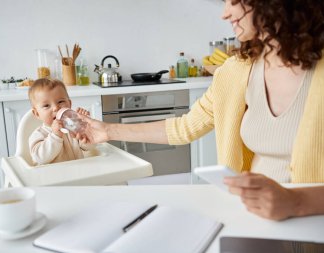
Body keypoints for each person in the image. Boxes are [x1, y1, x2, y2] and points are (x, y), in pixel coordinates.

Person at [76, 0, 324, 220]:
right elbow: (184, 127)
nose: (224, 14)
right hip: (250, 219)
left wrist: (296, 203)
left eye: (234, 1)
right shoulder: (235, 70)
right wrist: (107, 131)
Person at [28, 78, 92, 165]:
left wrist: (84, 128)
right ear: (37, 114)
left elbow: (89, 148)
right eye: (46, 105)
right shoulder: (39, 134)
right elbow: (40, 158)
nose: (56, 108)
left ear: (69, 104)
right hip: (52, 177)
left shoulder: (73, 127)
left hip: (77, 173)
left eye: (60, 101)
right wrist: (55, 136)